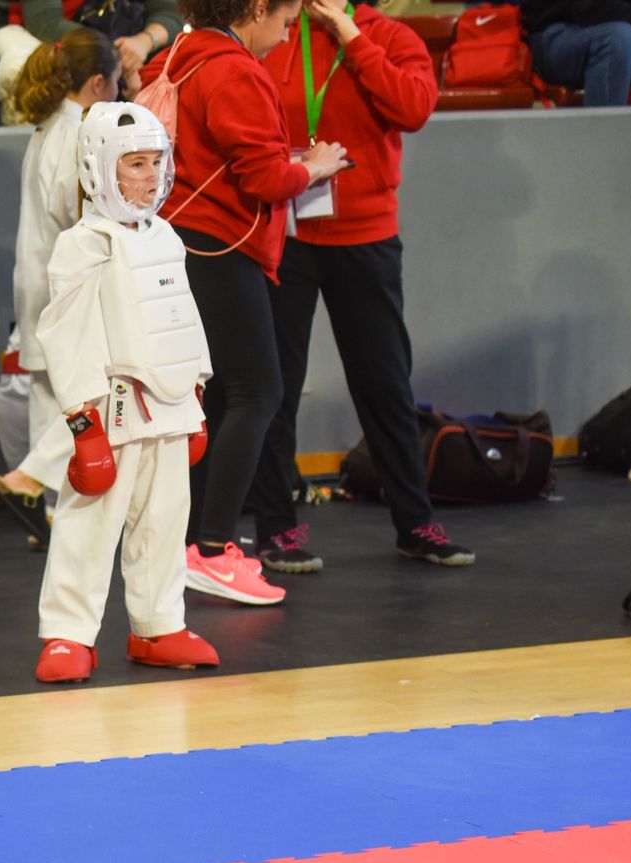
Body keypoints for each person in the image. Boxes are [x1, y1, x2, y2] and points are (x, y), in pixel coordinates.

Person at [138, 0, 349, 605]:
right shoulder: (232, 69)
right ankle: (212, 547)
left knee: (211, 399)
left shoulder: (177, 55)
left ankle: (189, 544)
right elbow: (262, 179)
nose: (287, 36)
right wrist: (312, 167)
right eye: (284, 19)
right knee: (260, 391)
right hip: (221, 248)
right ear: (256, 8)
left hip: (180, 244)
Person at [251, 0, 474, 572]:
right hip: (288, 233)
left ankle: (415, 522)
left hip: (366, 235)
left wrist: (350, 35)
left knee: (385, 385)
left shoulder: (387, 37)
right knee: (276, 385)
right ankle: (278, 526)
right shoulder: (275, 31)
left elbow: (414, 106)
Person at [32, 101, 219, 683]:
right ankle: (68, 634)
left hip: (169, 404)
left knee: (165, 521)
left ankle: (159, 624)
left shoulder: (164, 235)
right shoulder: (85, 243)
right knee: (90, 524)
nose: (150, 177)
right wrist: (82, 423)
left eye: (156, 163)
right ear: (98, 168)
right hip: (112, 405)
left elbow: (181, 319)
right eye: (134, 164)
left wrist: (195, 398)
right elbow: (67, 335)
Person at [0, 28, 122, 549]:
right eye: (115, 85)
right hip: (66, 282)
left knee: (50, 396)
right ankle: (32, 476)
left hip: (37, 278)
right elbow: (77, 214)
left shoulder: (47, 127)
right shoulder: (76, 135)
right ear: (96, 83)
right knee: (91, 397)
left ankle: (51, 518)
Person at [0, 0, 183, 123]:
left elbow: (171, 14)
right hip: (37, 35)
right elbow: (46, 23)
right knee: (18, 66)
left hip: (119, 42)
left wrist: (143, 42)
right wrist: (117, 58)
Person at [521, 0, 631, 107]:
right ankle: (604, 137)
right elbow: (590, 10)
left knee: (624, 38)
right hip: (555, 35)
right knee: (619, 38)